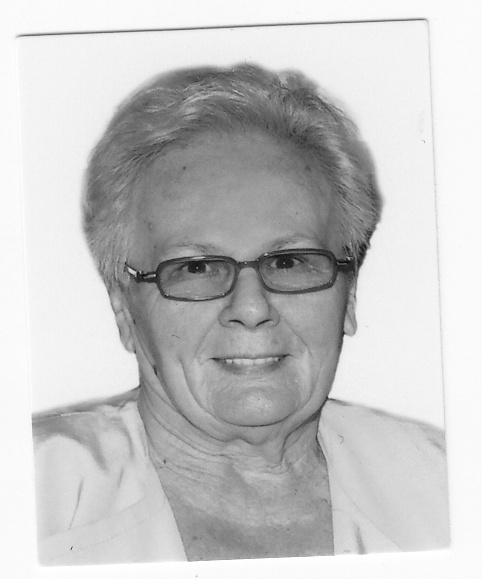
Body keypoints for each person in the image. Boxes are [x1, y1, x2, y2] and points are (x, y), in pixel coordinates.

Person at [33, 63, 449, 565]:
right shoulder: (32, 495)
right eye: (197, 267)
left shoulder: (449, 487)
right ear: (123, 307)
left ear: (350, 293)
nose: (251, 309)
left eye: (289, 262)